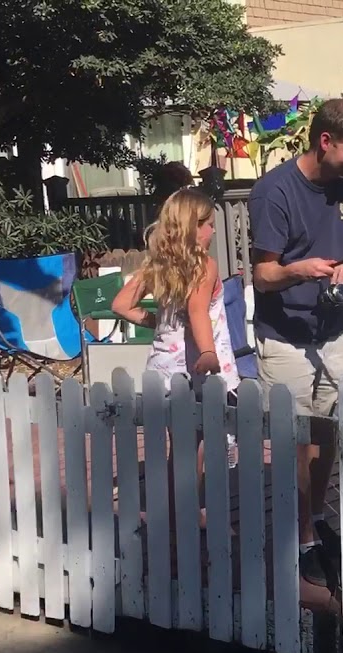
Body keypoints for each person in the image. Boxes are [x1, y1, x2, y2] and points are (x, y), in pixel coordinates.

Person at [247, 98, 343, 590]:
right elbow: (262, 276)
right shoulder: (274, 192)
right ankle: (302, 535)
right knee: (293, 442)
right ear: (325, 142)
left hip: (333, 332)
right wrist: (296, 271)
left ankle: (314, 518)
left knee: (326, 434)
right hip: (284, 336)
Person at [112, 187, 241, 527]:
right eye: (209, 224)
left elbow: (121, 305)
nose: (213, 231)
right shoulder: (204, 265)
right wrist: (210, 352)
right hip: (197, 367)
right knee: (196, 446)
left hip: (164, 370)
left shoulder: (159, 264)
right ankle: (181, 513)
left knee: (180, 447)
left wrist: (156, 322)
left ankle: (174, 511)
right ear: (192, 226)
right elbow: (199, 311)